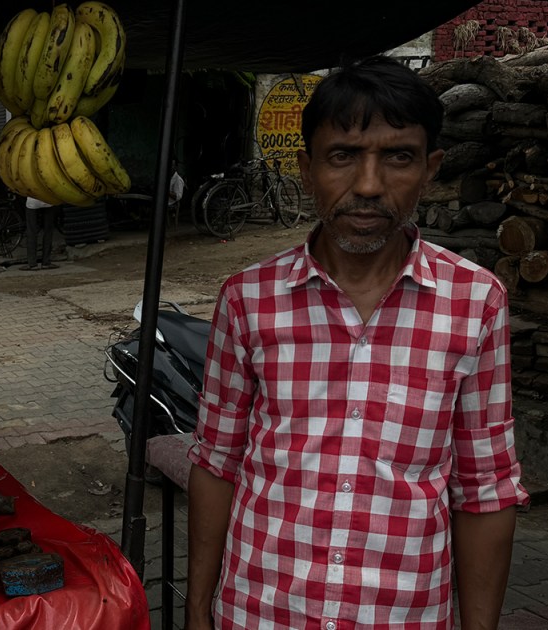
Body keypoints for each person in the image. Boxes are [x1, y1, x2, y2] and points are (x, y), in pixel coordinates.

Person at [185, 56, 528, 630]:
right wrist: (197, 611)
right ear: (306, 167)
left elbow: (485, 490)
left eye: (398, 157)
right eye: (343, 156)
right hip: (261, 611)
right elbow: (218, 462)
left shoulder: (476, 303)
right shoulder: (248, 299)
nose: (368, 186)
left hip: (404, 615)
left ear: (430, 168)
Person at [21, 196, 58, 271]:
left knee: (31, 231)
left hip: (32, 202)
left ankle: (32, 264)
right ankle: (46, 262)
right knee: (48, 231)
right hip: (48, 201)